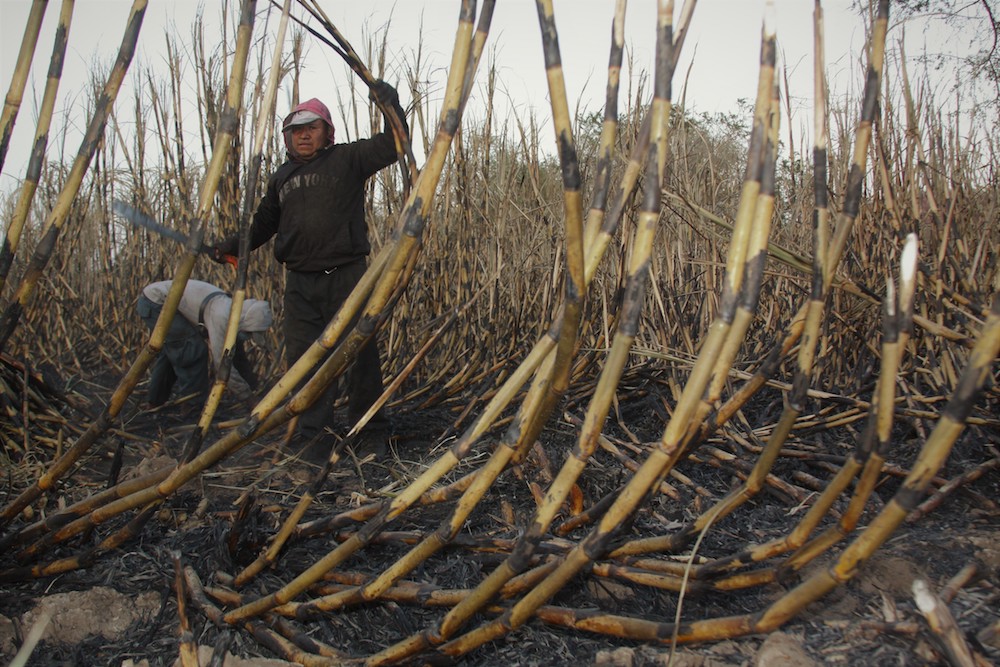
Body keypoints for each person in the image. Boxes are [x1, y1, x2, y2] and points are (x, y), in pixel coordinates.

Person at [211, 81, 407, 458]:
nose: (302, 136)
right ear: (286, 139)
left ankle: (371, 432)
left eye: (310, 128)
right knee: (304, 362)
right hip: (300, 284)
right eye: (295, 131)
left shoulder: (347, 158)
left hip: (348, 277)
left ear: (326, 132)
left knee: (358, 354)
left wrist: (390, 105)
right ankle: (312, 434)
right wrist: (232, 245)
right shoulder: (281, 178)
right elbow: (262, 225)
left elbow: (394, 145)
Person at [137, 279, 273, 408]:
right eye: (249, 333)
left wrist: (253, 387)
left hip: (157, 300)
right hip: (155, 303)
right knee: (192, 350)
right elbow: (222, 365)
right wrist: (248, 398)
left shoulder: (234, 312)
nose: (248, 337)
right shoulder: (222, 316)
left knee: (176, 349)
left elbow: (236, 354)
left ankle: (155, 401)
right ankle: (192, 406)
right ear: (246, 322)